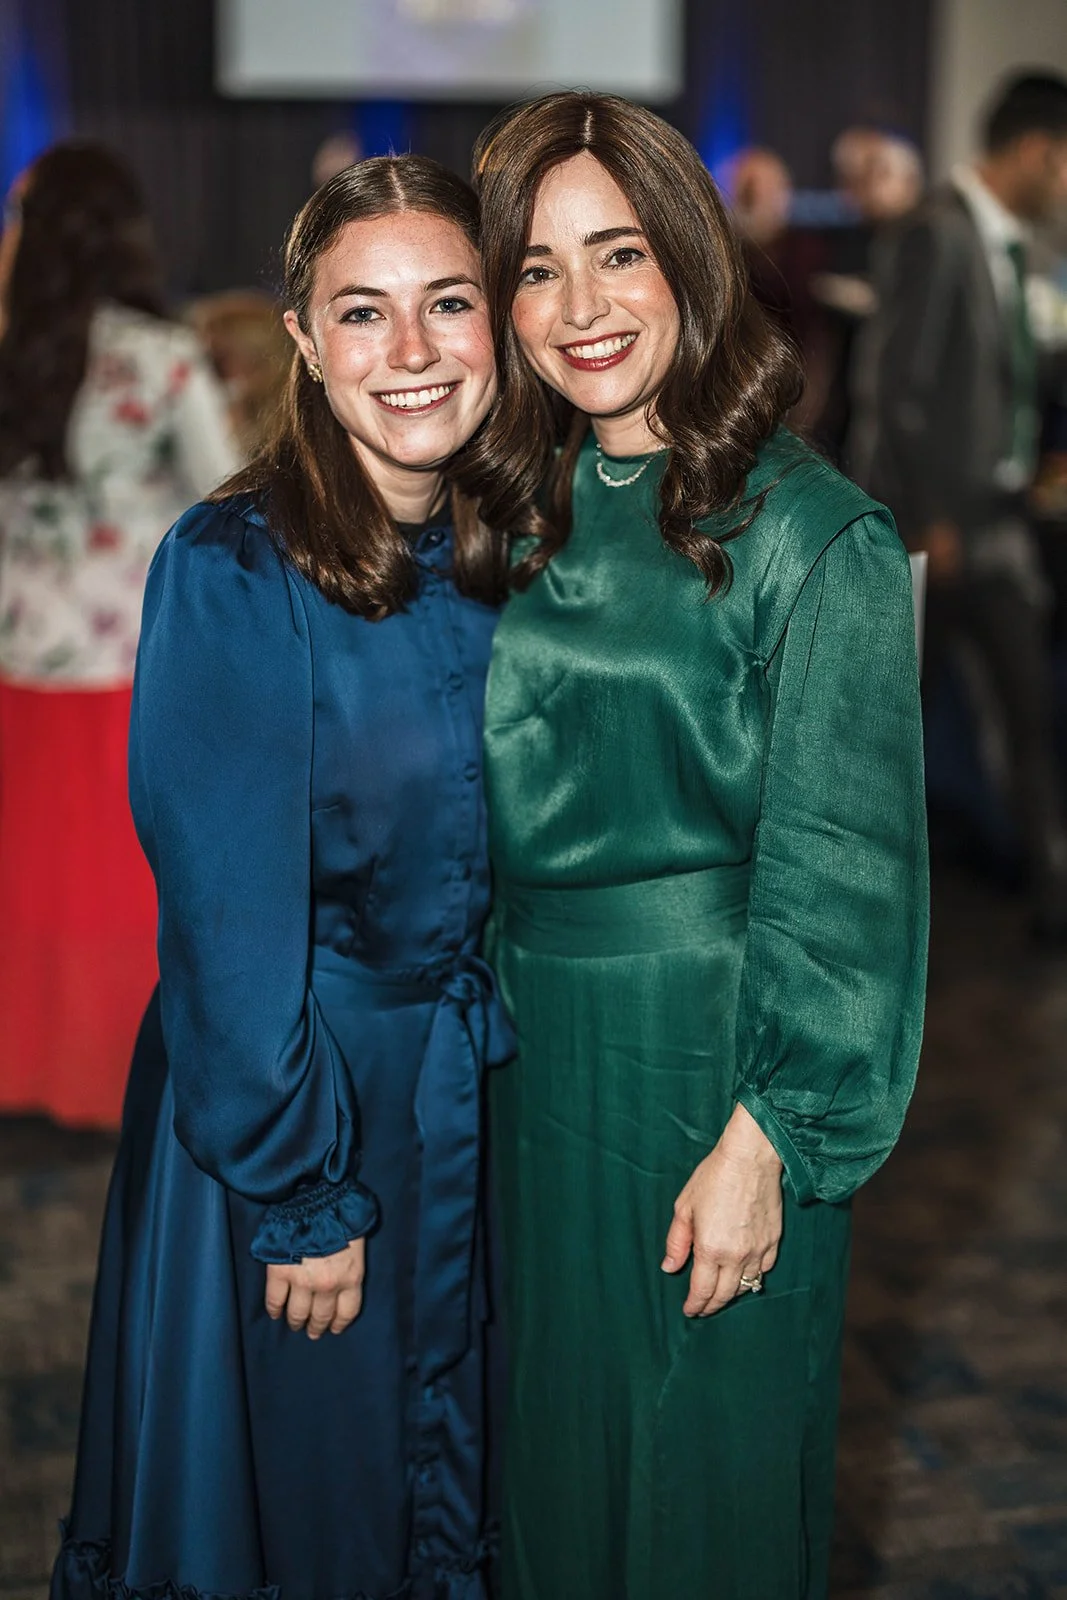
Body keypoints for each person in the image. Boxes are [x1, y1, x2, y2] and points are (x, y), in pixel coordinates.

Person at [469, 91, 929, 1600]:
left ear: (690, 259)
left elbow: (846, 876)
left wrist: (768, 1136)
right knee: (547, 1462)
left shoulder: (811, 533)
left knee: (698, 1482)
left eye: (618, 254)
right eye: (536, 270)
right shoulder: (511, 506)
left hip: (710, 1067)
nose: (580, 308)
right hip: (525, 1058)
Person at [51, 155, 509, 1600]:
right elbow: (225, 920)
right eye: (362, 312)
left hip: (471, 1098)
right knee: (318, 1507)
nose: (412, 348)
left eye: (447, 302)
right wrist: (303, 1191)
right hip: (296, 1105)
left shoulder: (519, 544)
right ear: (304, 340)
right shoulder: (235, 566)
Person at [0, 142, 240, 1129]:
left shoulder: (11, 349)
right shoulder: (161, 356)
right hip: (129, 661)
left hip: (19, 659)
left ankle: (28, 1072)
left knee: (28, 887)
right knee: (121, 888)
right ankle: (116, 1081)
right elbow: (225, 502)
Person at [851, 71, 1067, 938]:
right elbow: (892, 391)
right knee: (888, 732)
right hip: (935, 531)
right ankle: (865, 913)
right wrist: (924, 516)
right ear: (1036, 152)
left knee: (1027, 710)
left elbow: (1010, 378)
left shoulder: (1018, 249)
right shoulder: (935, 232)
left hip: (999, 523)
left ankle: (1051, 895)